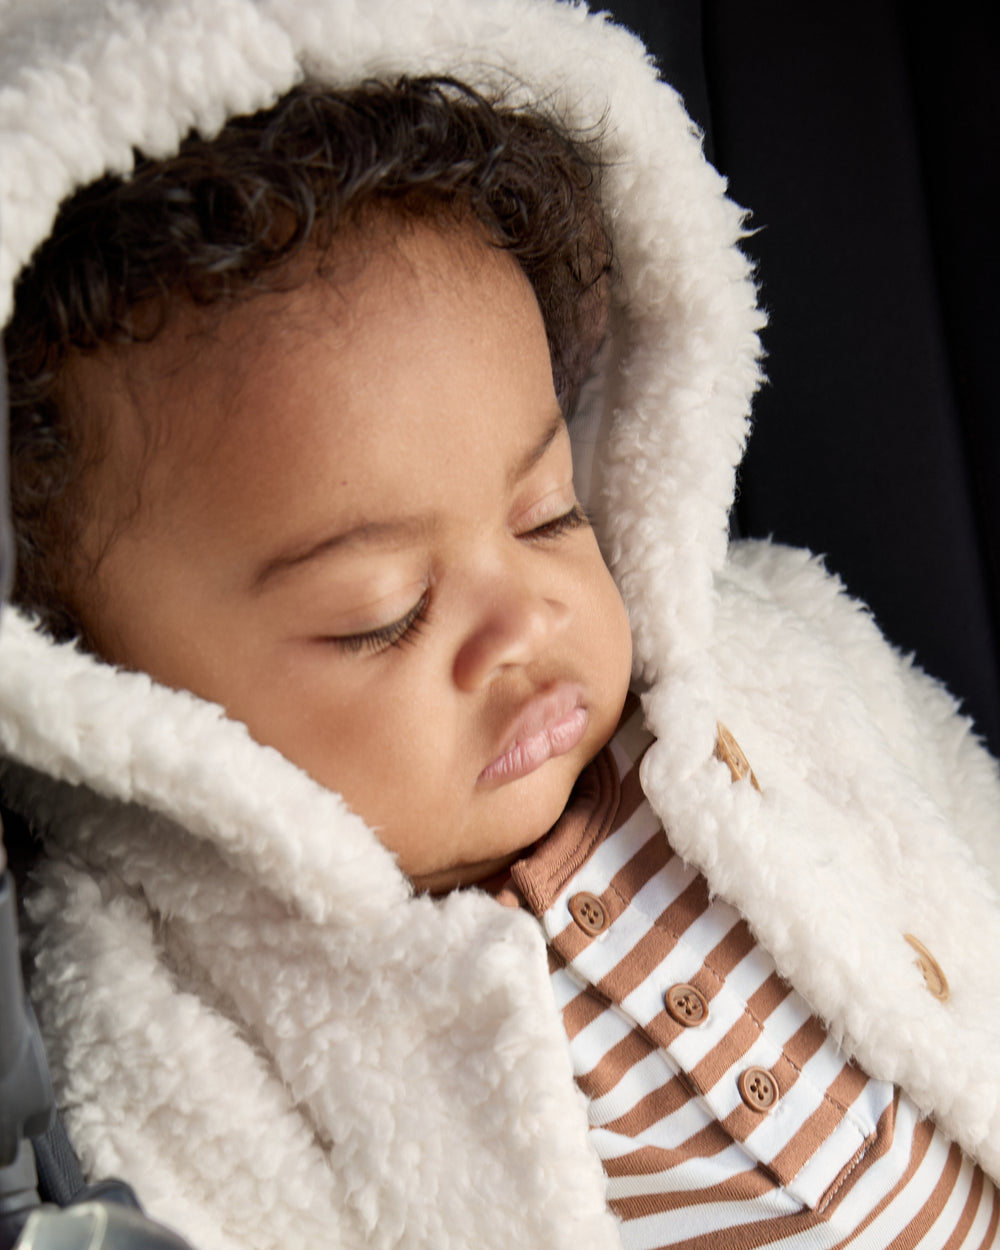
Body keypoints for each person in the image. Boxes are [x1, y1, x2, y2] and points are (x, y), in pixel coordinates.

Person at [0, 3, 997, 1250]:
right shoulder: (169, 1012)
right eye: (384, 615)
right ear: (107, 694)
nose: (526, 619)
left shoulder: (777, 666)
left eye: (544, 513)